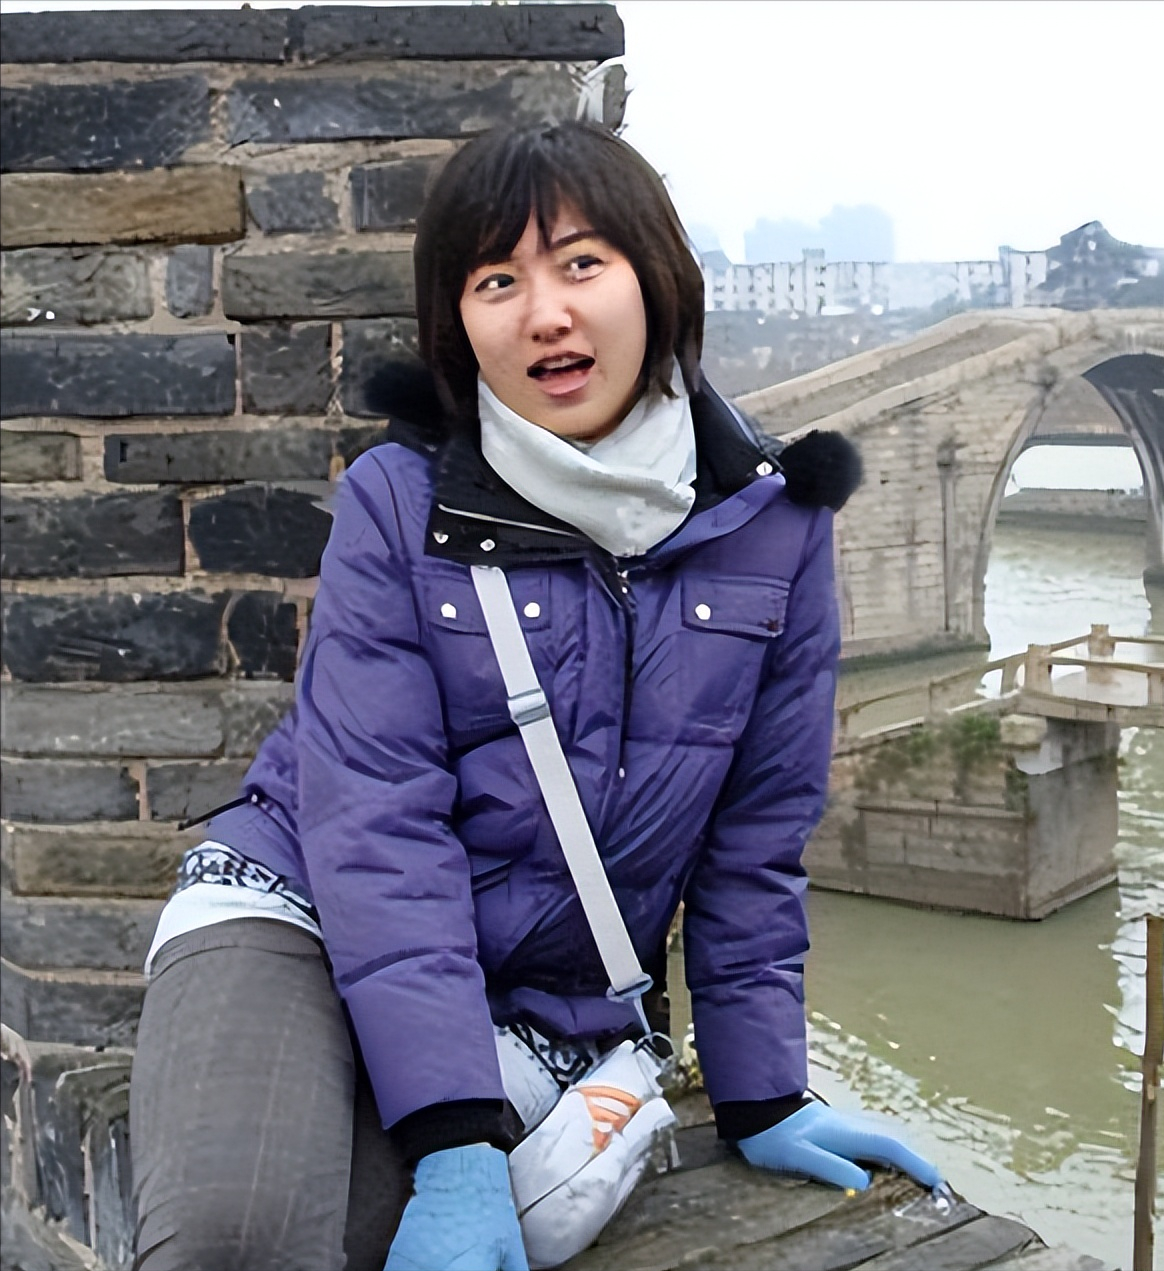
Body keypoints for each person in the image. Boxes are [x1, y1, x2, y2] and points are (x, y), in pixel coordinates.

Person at [129, 120, 942, 1271]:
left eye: (581, 264)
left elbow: (756, 839)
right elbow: (379, 819)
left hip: (544, 996)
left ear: (656, 278)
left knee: (360, 1235)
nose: (545, 313)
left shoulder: (777, 529)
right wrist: (459, 1149)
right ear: (457, 322)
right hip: (297, 902)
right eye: (496, 281)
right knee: (235, 1235)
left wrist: (763, 1089)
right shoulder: (400, 503)